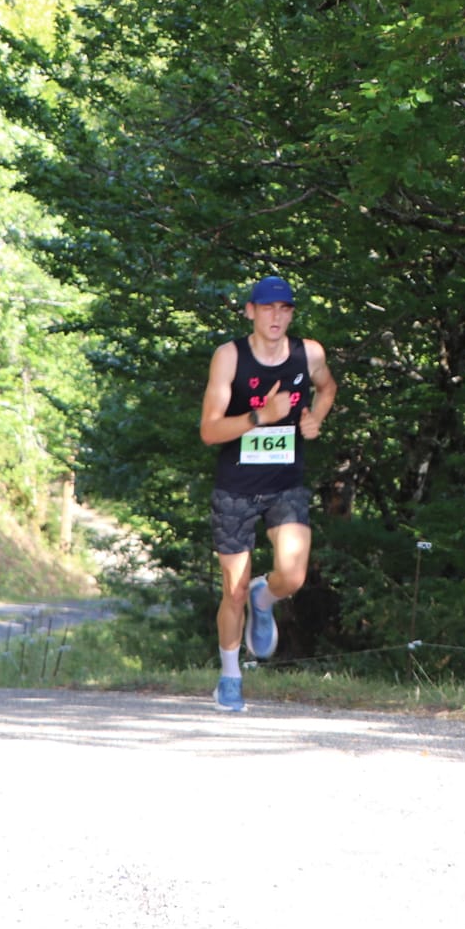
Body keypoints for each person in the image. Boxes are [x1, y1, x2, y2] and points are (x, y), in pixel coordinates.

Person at [197, 275, 338, 712]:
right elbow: (209, 430)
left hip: (285, 483)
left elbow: (327, 386)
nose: (276, 317)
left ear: (291, 314)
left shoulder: (308, 352)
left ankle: (267, 596)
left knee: (292, 576)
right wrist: (261, 416)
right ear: (250, 312)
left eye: (285, 309)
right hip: (236, 487)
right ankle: (230, 676)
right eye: (267, 308)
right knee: (232, 591)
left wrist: (316, 416)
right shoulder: (229, 358)